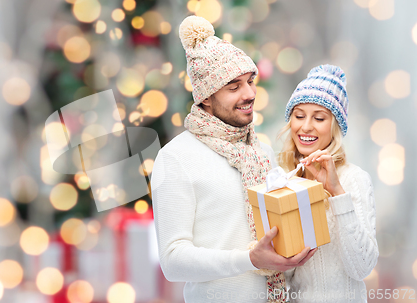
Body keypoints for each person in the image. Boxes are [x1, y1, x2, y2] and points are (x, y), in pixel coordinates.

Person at [151, 16, 316, 303]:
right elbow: (172, 260)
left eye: (250, 81)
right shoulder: (176, 158)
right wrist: (249, 260)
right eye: (233, 86)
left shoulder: (261, 152)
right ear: (205, 98)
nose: (250, 94)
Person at [278, 64, 379, 303]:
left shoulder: (353, 179)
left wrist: (336, 192)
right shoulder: (282, 178)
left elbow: (362, 267)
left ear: (335, 126)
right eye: (299, 115)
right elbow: (283, 276)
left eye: (319, 118)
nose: (305, 126)